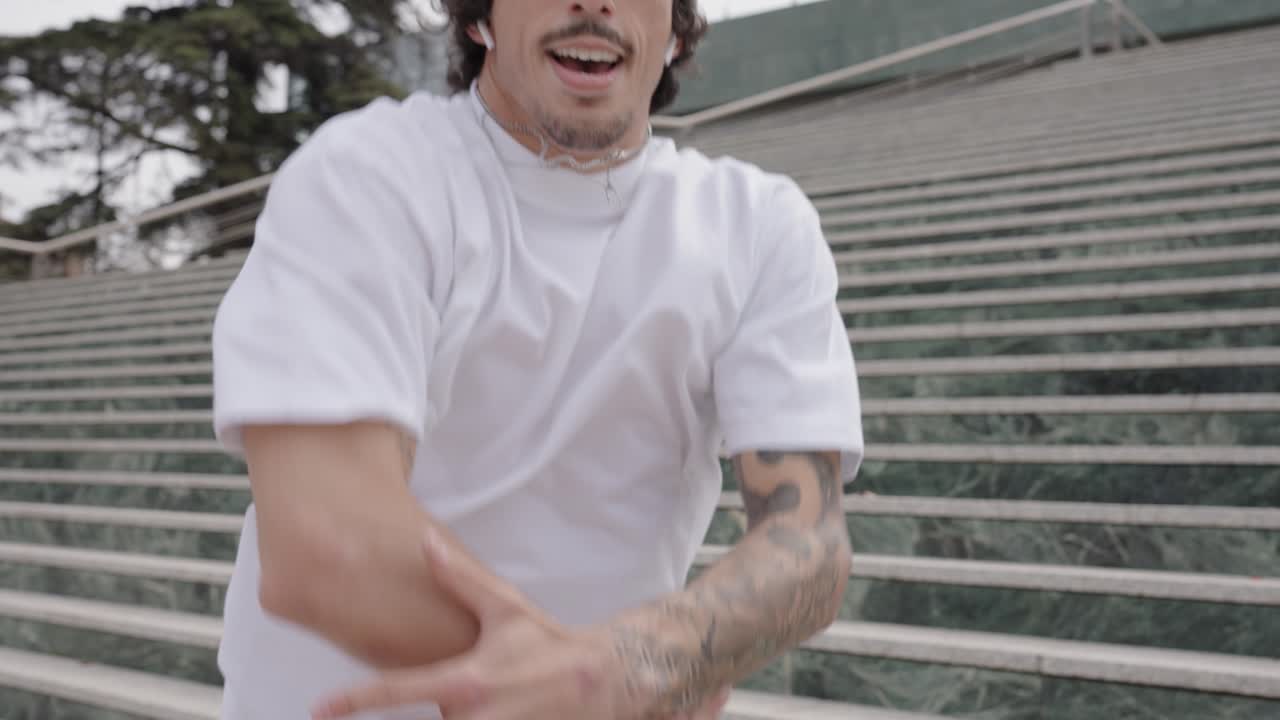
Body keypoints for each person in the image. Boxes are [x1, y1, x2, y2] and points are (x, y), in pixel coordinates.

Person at [210, 0, 864, 718]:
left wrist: (637, 663)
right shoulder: (372, 173)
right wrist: (594, 683)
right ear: (478, 18)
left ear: (675, 29)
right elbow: (327, 545)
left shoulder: (759, 227)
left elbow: (808, 546)